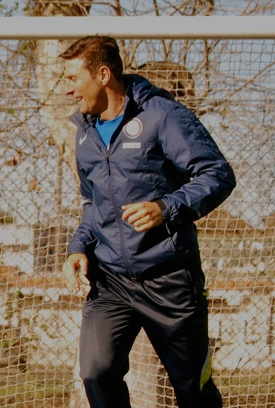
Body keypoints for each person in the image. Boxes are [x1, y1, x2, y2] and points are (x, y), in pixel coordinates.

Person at [60, 35, 235, 408]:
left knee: (193, 391)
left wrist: (166, 207)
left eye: (73, 78)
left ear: (103, 74)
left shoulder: (162, 116)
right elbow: (93, 203)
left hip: (169, 277)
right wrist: (78, 247)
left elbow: (218, 174)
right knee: (96, 372)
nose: (68, 90)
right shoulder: (84, 135)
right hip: (111, 283)